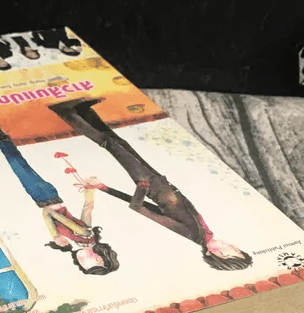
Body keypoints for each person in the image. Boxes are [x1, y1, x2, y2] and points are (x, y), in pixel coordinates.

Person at [48, 98, 252, 270]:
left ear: (215, 256)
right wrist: (105, 188)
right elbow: (150, 207)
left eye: (228, 254)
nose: (229, 247)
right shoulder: (204, 233)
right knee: (119, 144)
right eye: (236, 249)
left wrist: (143, 184)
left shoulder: (192, 234)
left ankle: (66, 113)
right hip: (157, 181)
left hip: (149, 181)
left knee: (110, 144)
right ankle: (84, 112)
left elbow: (139, 207)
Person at [0, 115, 119, 275]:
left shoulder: (86, 237)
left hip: (45, 197)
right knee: (17, 164)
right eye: (94, 262)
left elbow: (88, 208)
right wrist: (55, 236)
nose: (84, 261)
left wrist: (90, 189)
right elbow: (48, 212)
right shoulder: (84, 235)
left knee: (18, 164)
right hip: (45, 196)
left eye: (84, 265)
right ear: (100, 256)